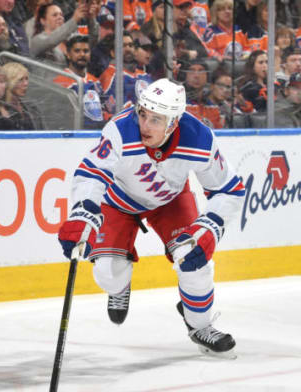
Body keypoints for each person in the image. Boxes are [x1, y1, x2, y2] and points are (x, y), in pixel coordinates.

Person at [57, 78, 244, 358]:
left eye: (156, 119)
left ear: (174, 122)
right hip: (118, 202)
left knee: (194, 258)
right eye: (143, 114)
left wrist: (211, 226)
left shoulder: (199, 137)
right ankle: (119, 285)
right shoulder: (121, 129)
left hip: (170, 202)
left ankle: (200, 325)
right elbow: (93, 172)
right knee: (108, 274)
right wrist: (83, 211)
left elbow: (230, 188)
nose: (145, 125)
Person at [53, 34, 104, 128]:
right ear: (68, 54)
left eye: (86, 51)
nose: (82, 54)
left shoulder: (95, 81)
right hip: (75, 136)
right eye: (77, 51)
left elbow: (103, 110)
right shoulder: (60, 82)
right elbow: (58, 118)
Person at [1, 61, 42, 129]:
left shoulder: (31, 107)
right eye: (20, 80)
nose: (26, 83)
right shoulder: (2, 109)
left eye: (26, 79)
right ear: (9, 81)